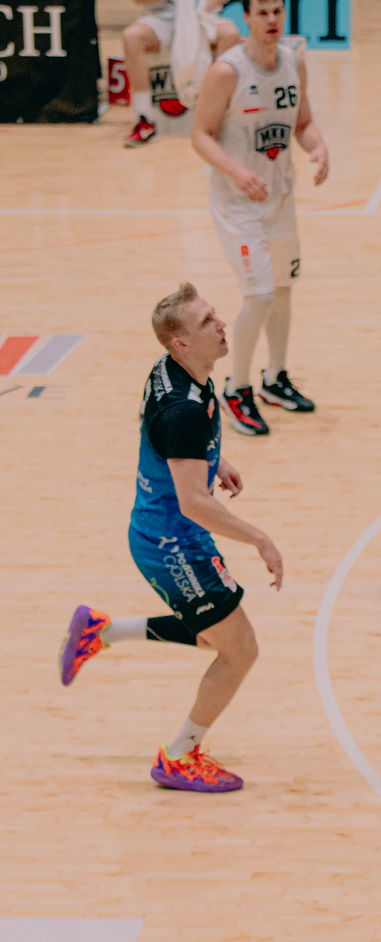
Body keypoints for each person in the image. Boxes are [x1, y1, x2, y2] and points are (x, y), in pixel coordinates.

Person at [59, 282, 284, 793]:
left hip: (166, 533)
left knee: (214, 633)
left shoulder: (174, 371)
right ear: (180, 342)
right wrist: (260, 539)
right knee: (239, 650)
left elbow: (167, 439)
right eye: (206, 322)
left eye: (214, 314)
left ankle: (101, 631)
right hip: (173, 545)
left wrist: (211, 459)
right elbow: (194, 503)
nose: (221, 324)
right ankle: (179, 757)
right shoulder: (182, 411)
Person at [192, 0, 328, 437]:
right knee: (260, 295)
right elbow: (200, 135)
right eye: (263, 12)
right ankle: (236, 389)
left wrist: (318, 146)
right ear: (246, 17)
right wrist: (235, 171)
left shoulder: (293, 62)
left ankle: (275, 378)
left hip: (279, 195)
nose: (272, 20)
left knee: (284, 288)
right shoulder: (226, 71)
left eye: (277, 12)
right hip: (237, 203)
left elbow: (303, 123)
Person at [122, 0, 242, 148]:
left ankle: (219, 120)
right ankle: (144, 121)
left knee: (229, 34)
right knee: (131, 37)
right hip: (163, 17)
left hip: (203, 14)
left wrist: (213, 0)